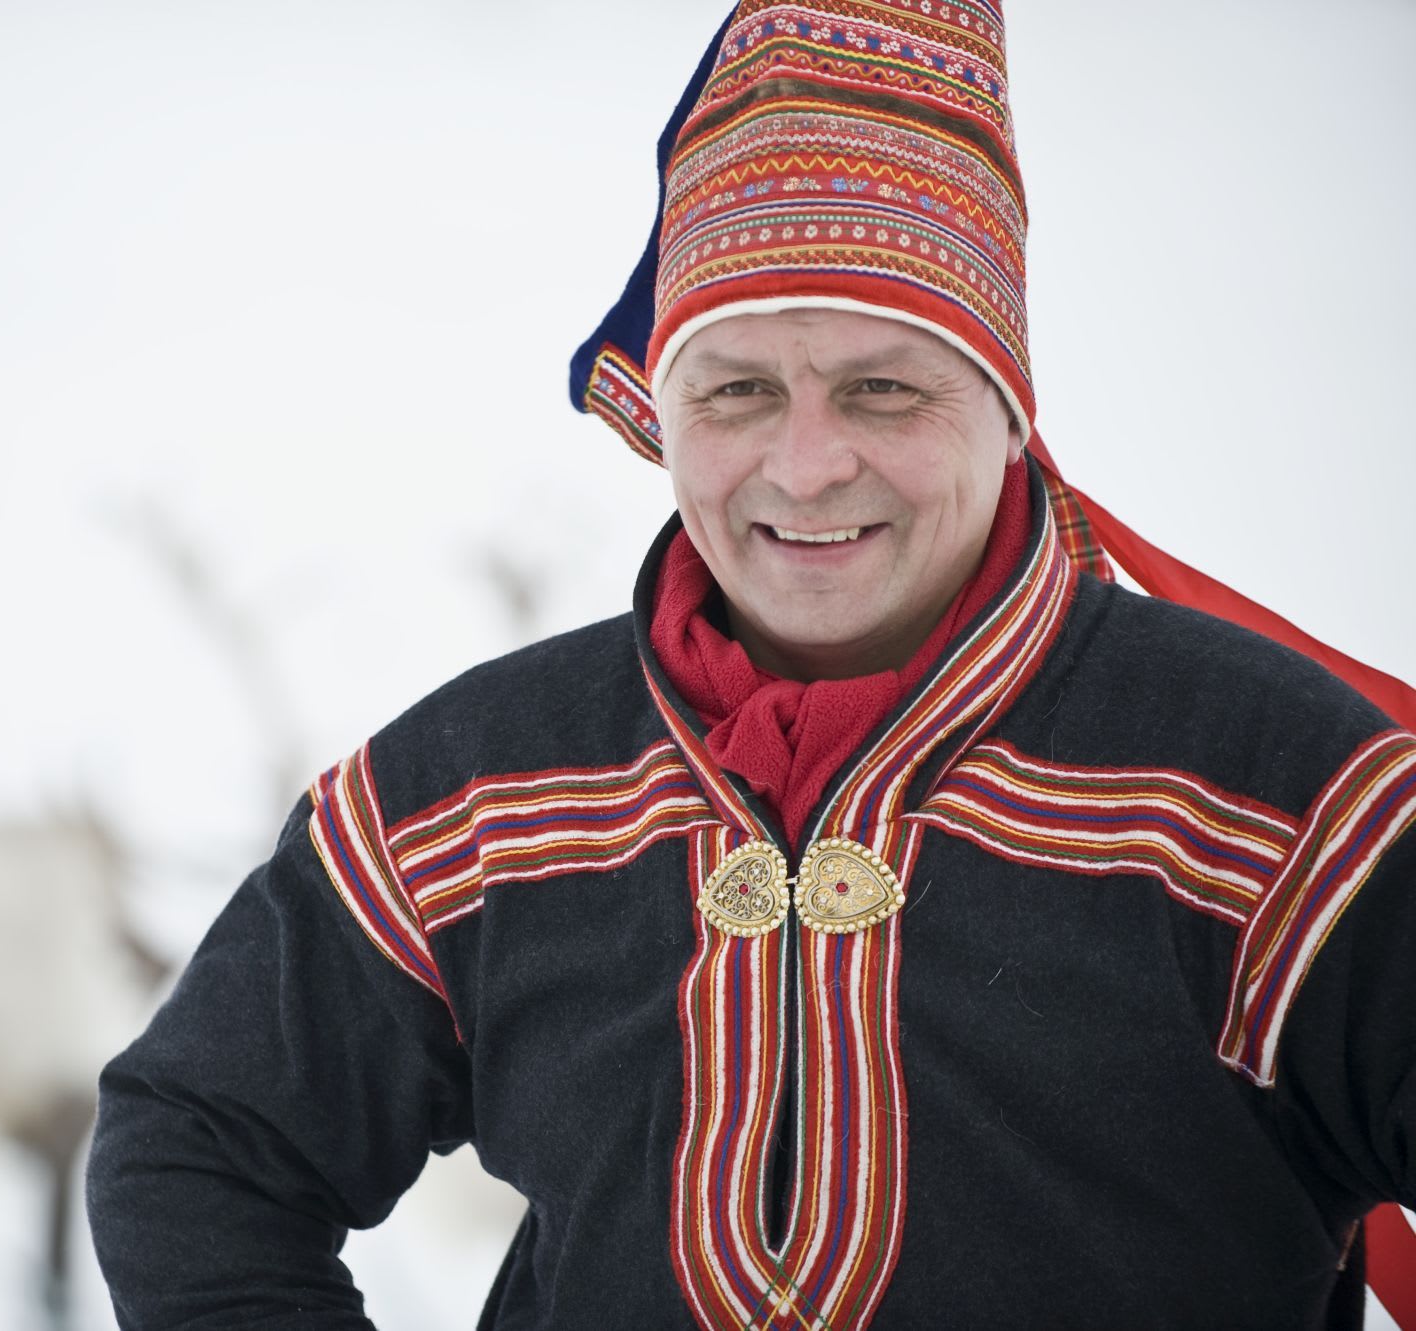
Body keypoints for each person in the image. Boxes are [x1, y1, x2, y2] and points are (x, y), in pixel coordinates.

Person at [85, 2, 1416, 1326]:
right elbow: (197, 1140)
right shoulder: (477, 790)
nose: (806, 464)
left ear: (1009, 409)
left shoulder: (1280, 795)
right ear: (663, 414)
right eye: (737, 391)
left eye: (884, 387)